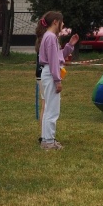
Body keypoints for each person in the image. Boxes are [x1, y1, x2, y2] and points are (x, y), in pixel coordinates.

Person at [36, 11, 78, 151]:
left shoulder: (49, 37)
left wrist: (69, 46)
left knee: (49, 108)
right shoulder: (51, 37)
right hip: (50, 74)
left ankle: (46, 139)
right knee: (52, 110)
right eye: (62, 21)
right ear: (55, 22)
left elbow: (58, 56)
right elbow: (54, 61)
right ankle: (49, 141)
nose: (63, 24)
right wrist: (57, 80)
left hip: (48, 73)